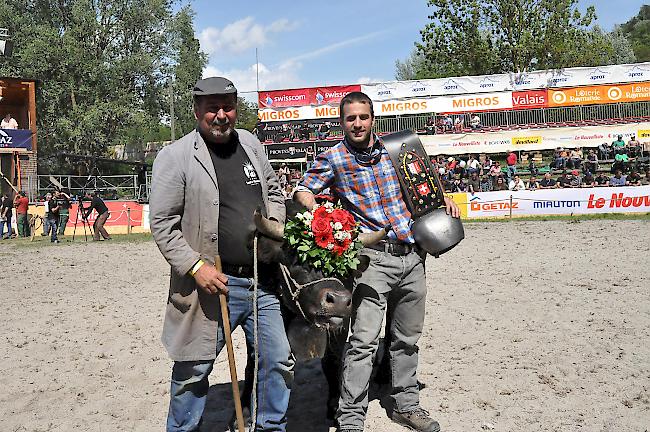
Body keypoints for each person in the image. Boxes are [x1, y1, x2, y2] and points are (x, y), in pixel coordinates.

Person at [295, 91, 459, 432]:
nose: (357, 123)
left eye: (363, 117)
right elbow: (303, 189)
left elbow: (424, 181)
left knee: (407, 339)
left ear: (373, 119)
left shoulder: (397, 149)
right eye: (350, 118)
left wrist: (444, 198)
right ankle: (351, 418)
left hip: (414, 255)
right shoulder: (334, 159)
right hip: (372, 260)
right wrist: (319, 211)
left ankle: (406, 404)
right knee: (363, 342)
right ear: (342, 122)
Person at [149, 77, 292, 432]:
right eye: (212, 107)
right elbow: (163, 223)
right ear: (197, 111)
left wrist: (273, 222)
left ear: (236, 108)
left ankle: (270, 426)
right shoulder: (176, 156)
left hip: (262, 279)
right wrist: (196, 266)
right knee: (193, 369)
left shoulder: (251, 143)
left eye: (227, 106)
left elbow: (274, 190)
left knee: (277, 361)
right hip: (210, 284)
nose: (221, 115)